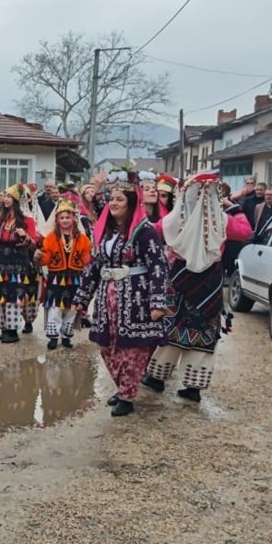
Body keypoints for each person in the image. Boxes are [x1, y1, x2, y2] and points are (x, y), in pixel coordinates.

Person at [142, 171, 253, 402]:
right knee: (204, 329)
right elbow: (245, 231)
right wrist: (232, 207)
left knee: (171, 327)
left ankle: (156, 377)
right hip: (210, 281)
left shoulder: (174, 219)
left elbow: (152, 232)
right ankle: (193, 386)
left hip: (179, 278)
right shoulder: (221, 220)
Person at [71, 171, 170, 417]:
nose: (113, 203)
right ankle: (124, 386)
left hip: (135, 298)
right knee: (107, 346)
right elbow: (94, 265)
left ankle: (127, 394)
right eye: (111, 199)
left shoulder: (145, 232)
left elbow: (158, 266)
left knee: (132, 350)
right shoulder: (105, 231)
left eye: (119, 200)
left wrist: (157, 301)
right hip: (107, 298)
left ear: (130, 203)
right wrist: (82, 298)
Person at [0, 184, 40, 343]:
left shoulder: (27, 220)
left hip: (18, 263)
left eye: (9, 196)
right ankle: (3, 327)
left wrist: (24, 236)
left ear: (18, 200)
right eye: (5, 195)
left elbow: (33, 244)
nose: (5, 199)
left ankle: (12, 330)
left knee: (15, 295)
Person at [34, 199, 92, 350]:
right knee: (55, 307)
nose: (65, 220)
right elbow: (46, 259)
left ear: (74, 218)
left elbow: (87, 259)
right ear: (57, 220)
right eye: (62, 218)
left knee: (71, 308)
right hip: (56, 278)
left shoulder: (83, 239)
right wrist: (39, 257)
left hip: (75, 278)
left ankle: (67, 335)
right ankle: (54, 337)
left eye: (68, 217)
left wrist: (91, 263)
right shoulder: (51, 238)